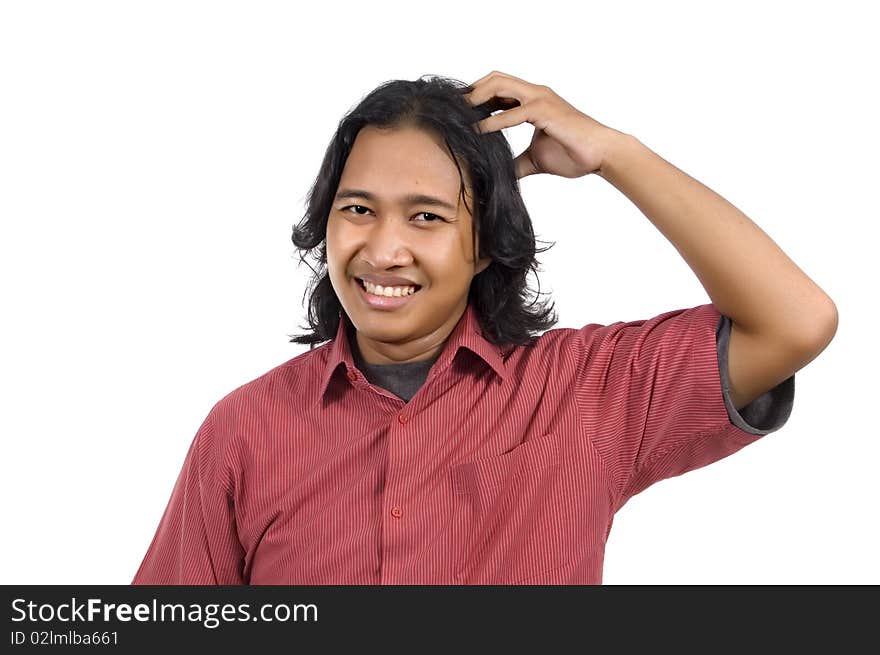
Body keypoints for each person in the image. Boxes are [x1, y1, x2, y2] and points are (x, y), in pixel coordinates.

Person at [131, 71, 837, 585]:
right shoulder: (245, 431)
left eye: (427, 216)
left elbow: (796, 320)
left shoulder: (587, 391)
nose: (383, 249)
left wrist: (616, 154)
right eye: (358, 210)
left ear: (485, 242)